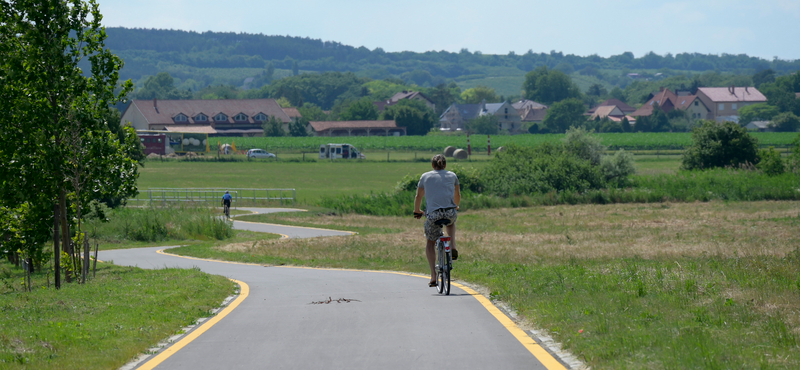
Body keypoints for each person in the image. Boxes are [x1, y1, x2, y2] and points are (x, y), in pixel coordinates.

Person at [414, 154, 461, 287]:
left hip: (433, 214)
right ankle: (452, 246)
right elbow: (458, 194)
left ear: (432, 165)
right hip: (450, 212)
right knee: (451, 222)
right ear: (445, 165)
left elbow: (418, 196)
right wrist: (456, 206)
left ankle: (433, 276)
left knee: (430, 242)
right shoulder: (452, 175)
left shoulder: (425, 176)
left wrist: (417, 210)